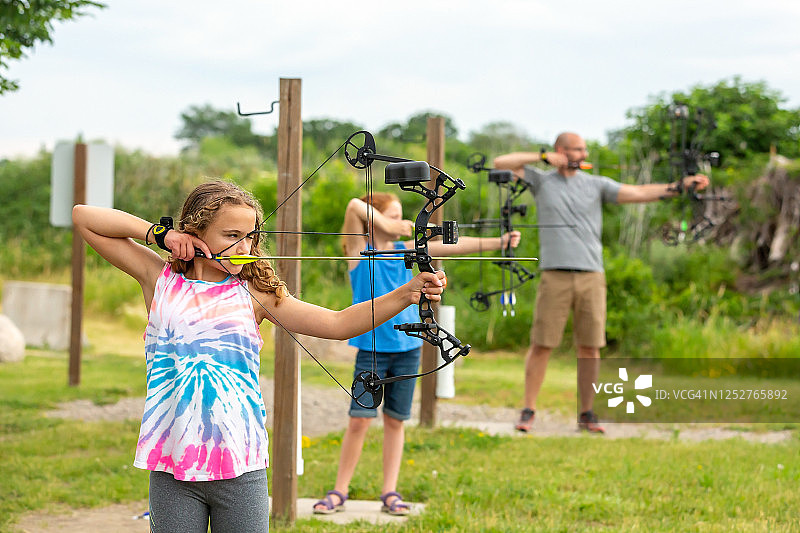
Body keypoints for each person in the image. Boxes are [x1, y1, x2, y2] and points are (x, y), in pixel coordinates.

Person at [71, 180, 448, 533]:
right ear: (195, 232)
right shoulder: (161, 278)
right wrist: (161, 234)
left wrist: (406, 293)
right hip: (173, 464)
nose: (243, 247)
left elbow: (338, 323)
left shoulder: (256, 292)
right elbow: (84, 218)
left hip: (241, 464)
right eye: (231, 236)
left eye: (250, 237)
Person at [312, 192, 520, 516]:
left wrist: (499, 241)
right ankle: (339, 491)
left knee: (396, 421)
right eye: (392, 216)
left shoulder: (405, 252)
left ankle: (389, 492)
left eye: (401, 216)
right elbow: (353, 205)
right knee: (359, 421)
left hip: (408, 349)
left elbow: (453, 246)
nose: (402, 223)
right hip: (372, 349)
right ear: (374, 220)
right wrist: (392, 226)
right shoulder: (359, 251)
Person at [493, 132, 709, 434]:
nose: (582, 154)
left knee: (590, 346)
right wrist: (541, 158)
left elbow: (639, 192)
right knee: (542, 343)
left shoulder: (596, 185)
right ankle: (528, 410)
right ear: (560, 151)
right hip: (555, 274)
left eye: (584, 149)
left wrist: (679, 187)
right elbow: (500, 163)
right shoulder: (541, 181)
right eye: (576, 149)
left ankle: (587, 413)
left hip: (591, 275)